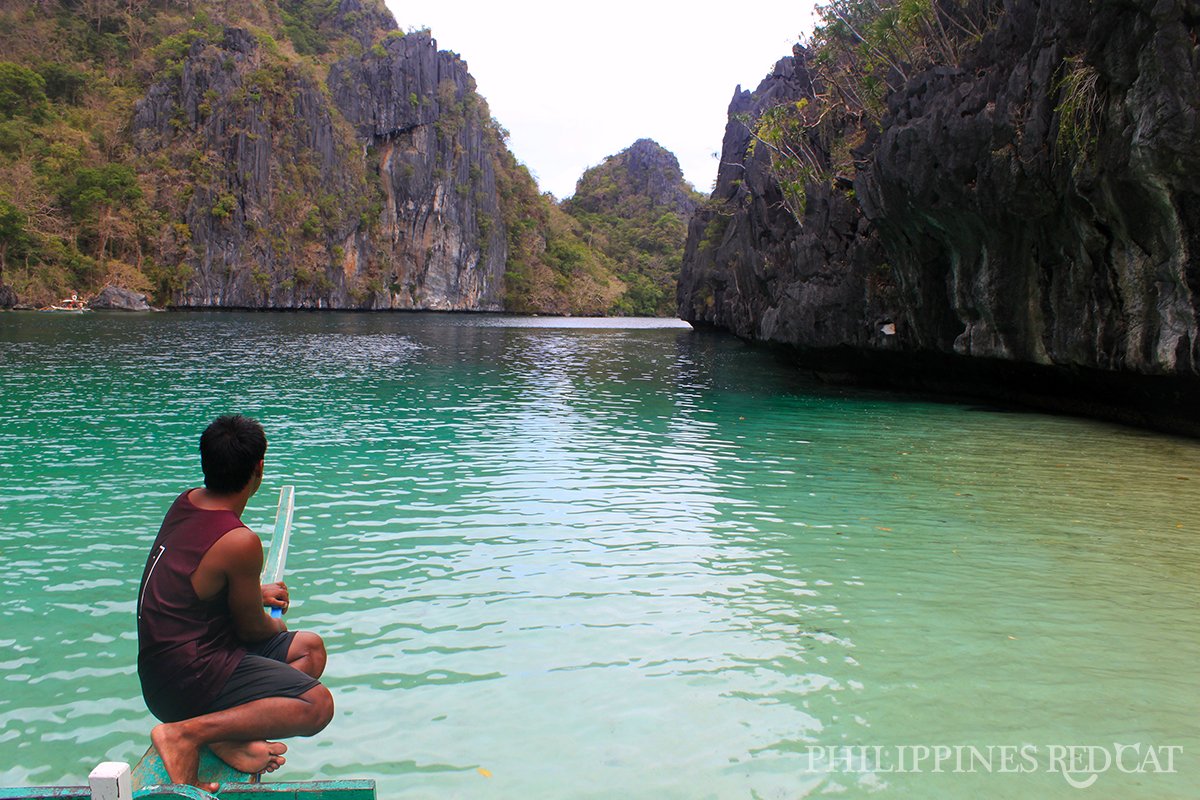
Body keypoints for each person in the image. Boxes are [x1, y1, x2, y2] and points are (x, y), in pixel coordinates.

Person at [136, 414, 334, 790]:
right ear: (259, 468)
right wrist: (275, 624)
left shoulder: (187, 501)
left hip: (162, 668)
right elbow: (252, 628)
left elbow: (192, 584)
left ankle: (224, 735)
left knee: (310, 651)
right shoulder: (240, 542)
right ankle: (185, 735)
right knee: (317, 706)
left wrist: (251, 593)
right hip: (188, 679)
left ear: (205, 463)